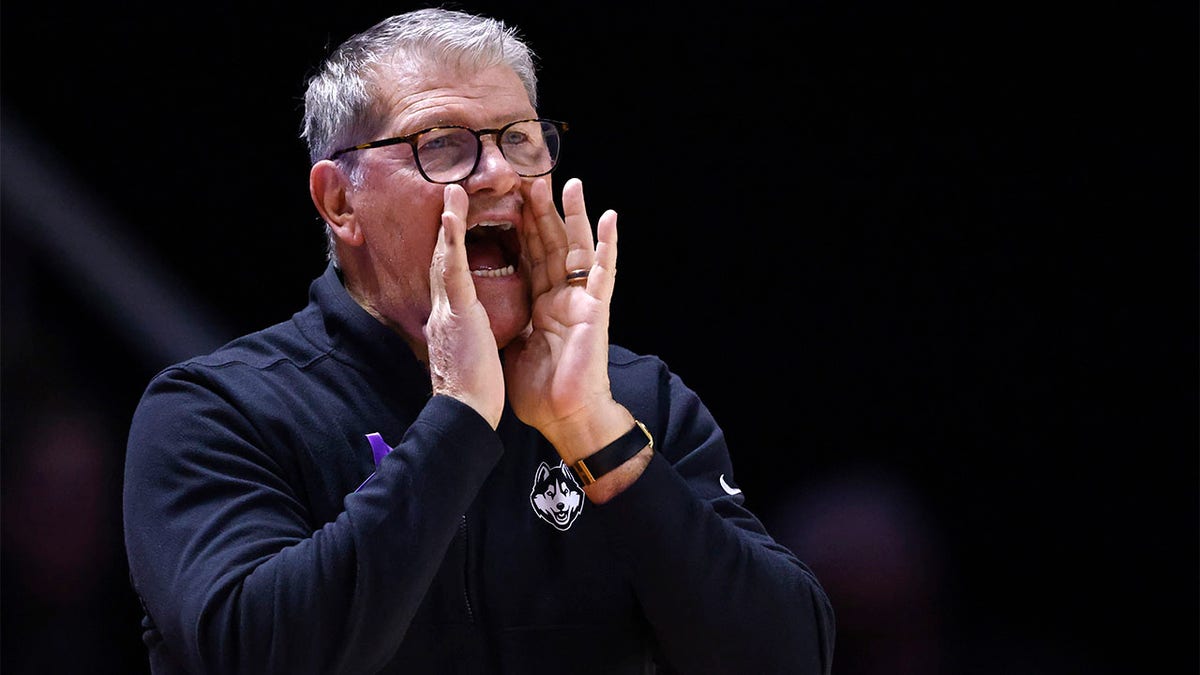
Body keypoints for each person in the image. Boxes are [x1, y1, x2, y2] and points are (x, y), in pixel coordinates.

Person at [122, 7, 835, 674]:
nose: (500, 174)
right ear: (340, 202)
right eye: (443, 145)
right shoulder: (218, 411)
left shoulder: (635, 400)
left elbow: (790, 656)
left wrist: (592, 430)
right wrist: (460, 414)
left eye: (519, 140)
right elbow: (259, 655)